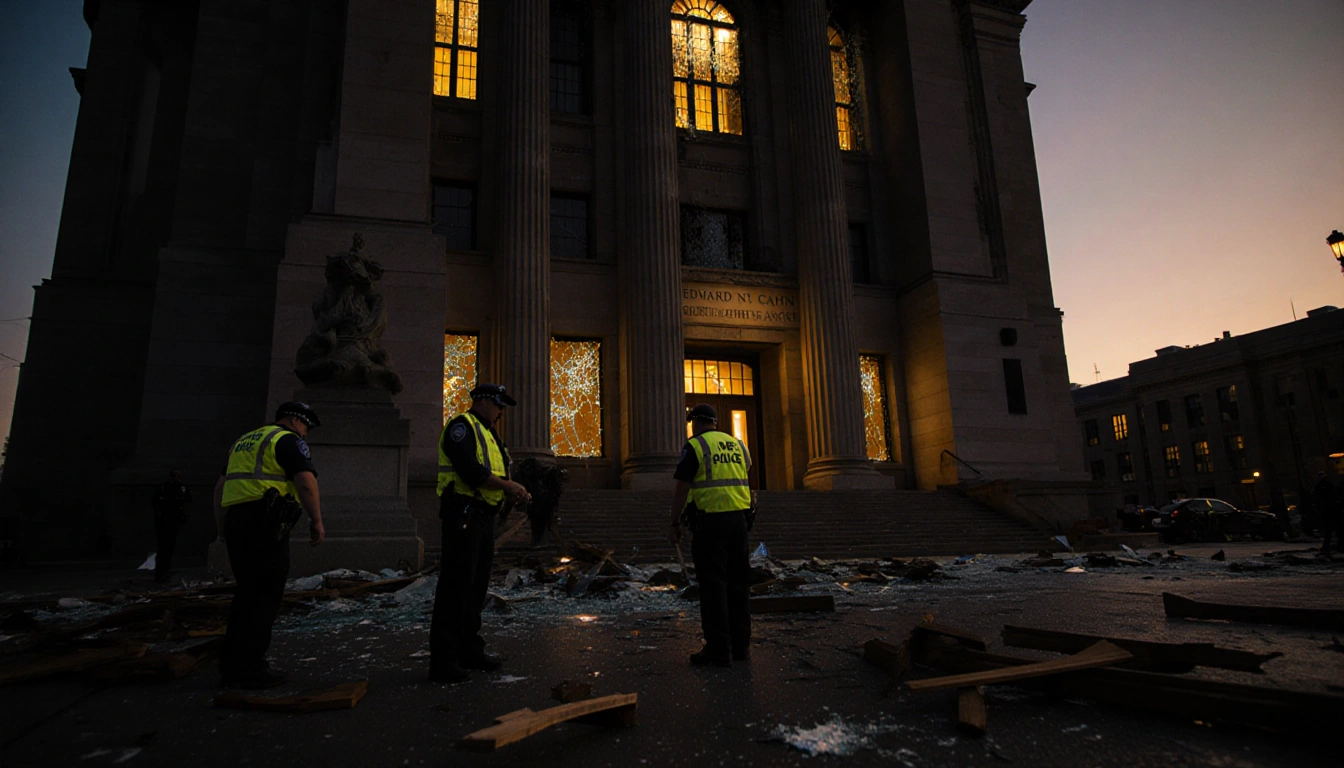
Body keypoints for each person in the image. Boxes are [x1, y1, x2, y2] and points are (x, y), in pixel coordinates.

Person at [213, 401, 325, 689]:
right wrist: (316, 520)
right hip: (265, 522)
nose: (306, 434)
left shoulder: (243, 442)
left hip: (236, 520)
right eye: (306, 426)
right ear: (295, 420)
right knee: (265, 595)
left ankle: (233, 663)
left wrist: (221, 529)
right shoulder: (287, 441)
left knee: (246, 593)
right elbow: (305, 481)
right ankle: (250, 666)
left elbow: (221, 486)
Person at [429, 383, 531, 683]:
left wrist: (510, 494)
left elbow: (494, 475)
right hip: (463, 515)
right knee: (455, 588)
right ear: (484, 401)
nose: (501, 412)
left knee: (475, 587)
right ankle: (444, 661)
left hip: (482, 518)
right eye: (499, 405)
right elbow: (469, 470)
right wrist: (507, 487)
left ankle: (469, 651)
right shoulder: (462, 426)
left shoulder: (490, 434)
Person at [668, 403, 753, 668]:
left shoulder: (695, 446)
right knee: (738, 584)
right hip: (739, 522)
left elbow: (682, 487)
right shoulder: (738, 445)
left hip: (710, 524)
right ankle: (741, 648)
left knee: (713, 585)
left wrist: (674, 521)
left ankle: (719, 649)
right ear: (716, 422)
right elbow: (745, 471)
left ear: (694, 422)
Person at [151, 469, 192, 583]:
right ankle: (162, 571)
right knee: (166, 547)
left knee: (165, 547)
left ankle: (163, 571)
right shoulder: (173, 489)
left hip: (168, 520)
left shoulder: (166, 488)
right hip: (167, 520)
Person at [1311, 471, 1341, 556]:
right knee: (1332, 528)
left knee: (1331, 529)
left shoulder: (1321, 487)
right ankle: (1332, 545)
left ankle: (1329, 546)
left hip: (1328, 510)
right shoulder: (1327, 486)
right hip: (1329, 510)